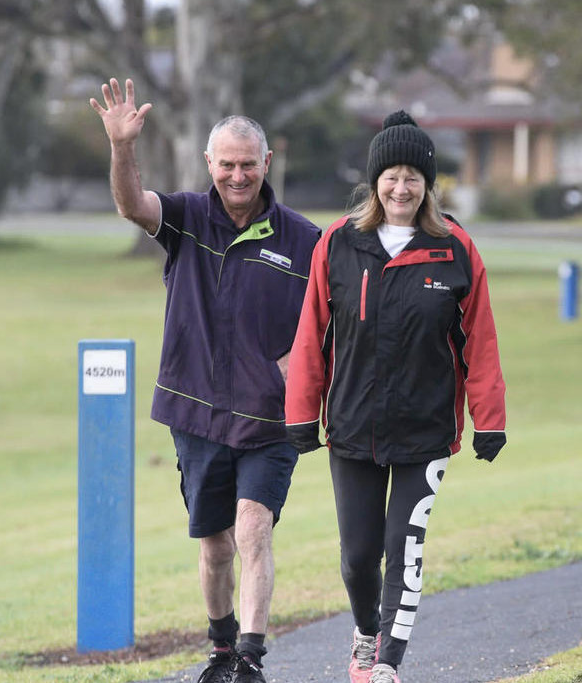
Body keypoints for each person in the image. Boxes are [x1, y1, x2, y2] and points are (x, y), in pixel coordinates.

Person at [90, 78, 321, 683]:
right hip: (196, 413)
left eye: (248, 164)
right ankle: (221, 650)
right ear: (208, 164)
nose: (238, 176)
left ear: (266, 163)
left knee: (253, 528)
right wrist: (122, 147)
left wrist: (298, 368)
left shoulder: (305, 241)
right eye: (227, 165)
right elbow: (131, 205)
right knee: (216, 545)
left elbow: (334, 318)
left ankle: (250, 657)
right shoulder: (187, 218)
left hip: (270, 419)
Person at [285, 111, 507, 683]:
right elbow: (312, 335)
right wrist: (300, 413)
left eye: (413, 177)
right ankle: (366, 631)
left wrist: (490, 419)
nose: (401, 188)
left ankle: (386, 665)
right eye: (391, 176)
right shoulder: (337, 244)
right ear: (375, 181)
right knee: (359, 557)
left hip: (425, 431)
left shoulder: (454, 248)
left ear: (428, 185)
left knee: (402, 550)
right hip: (353, 428)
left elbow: (479, 341)